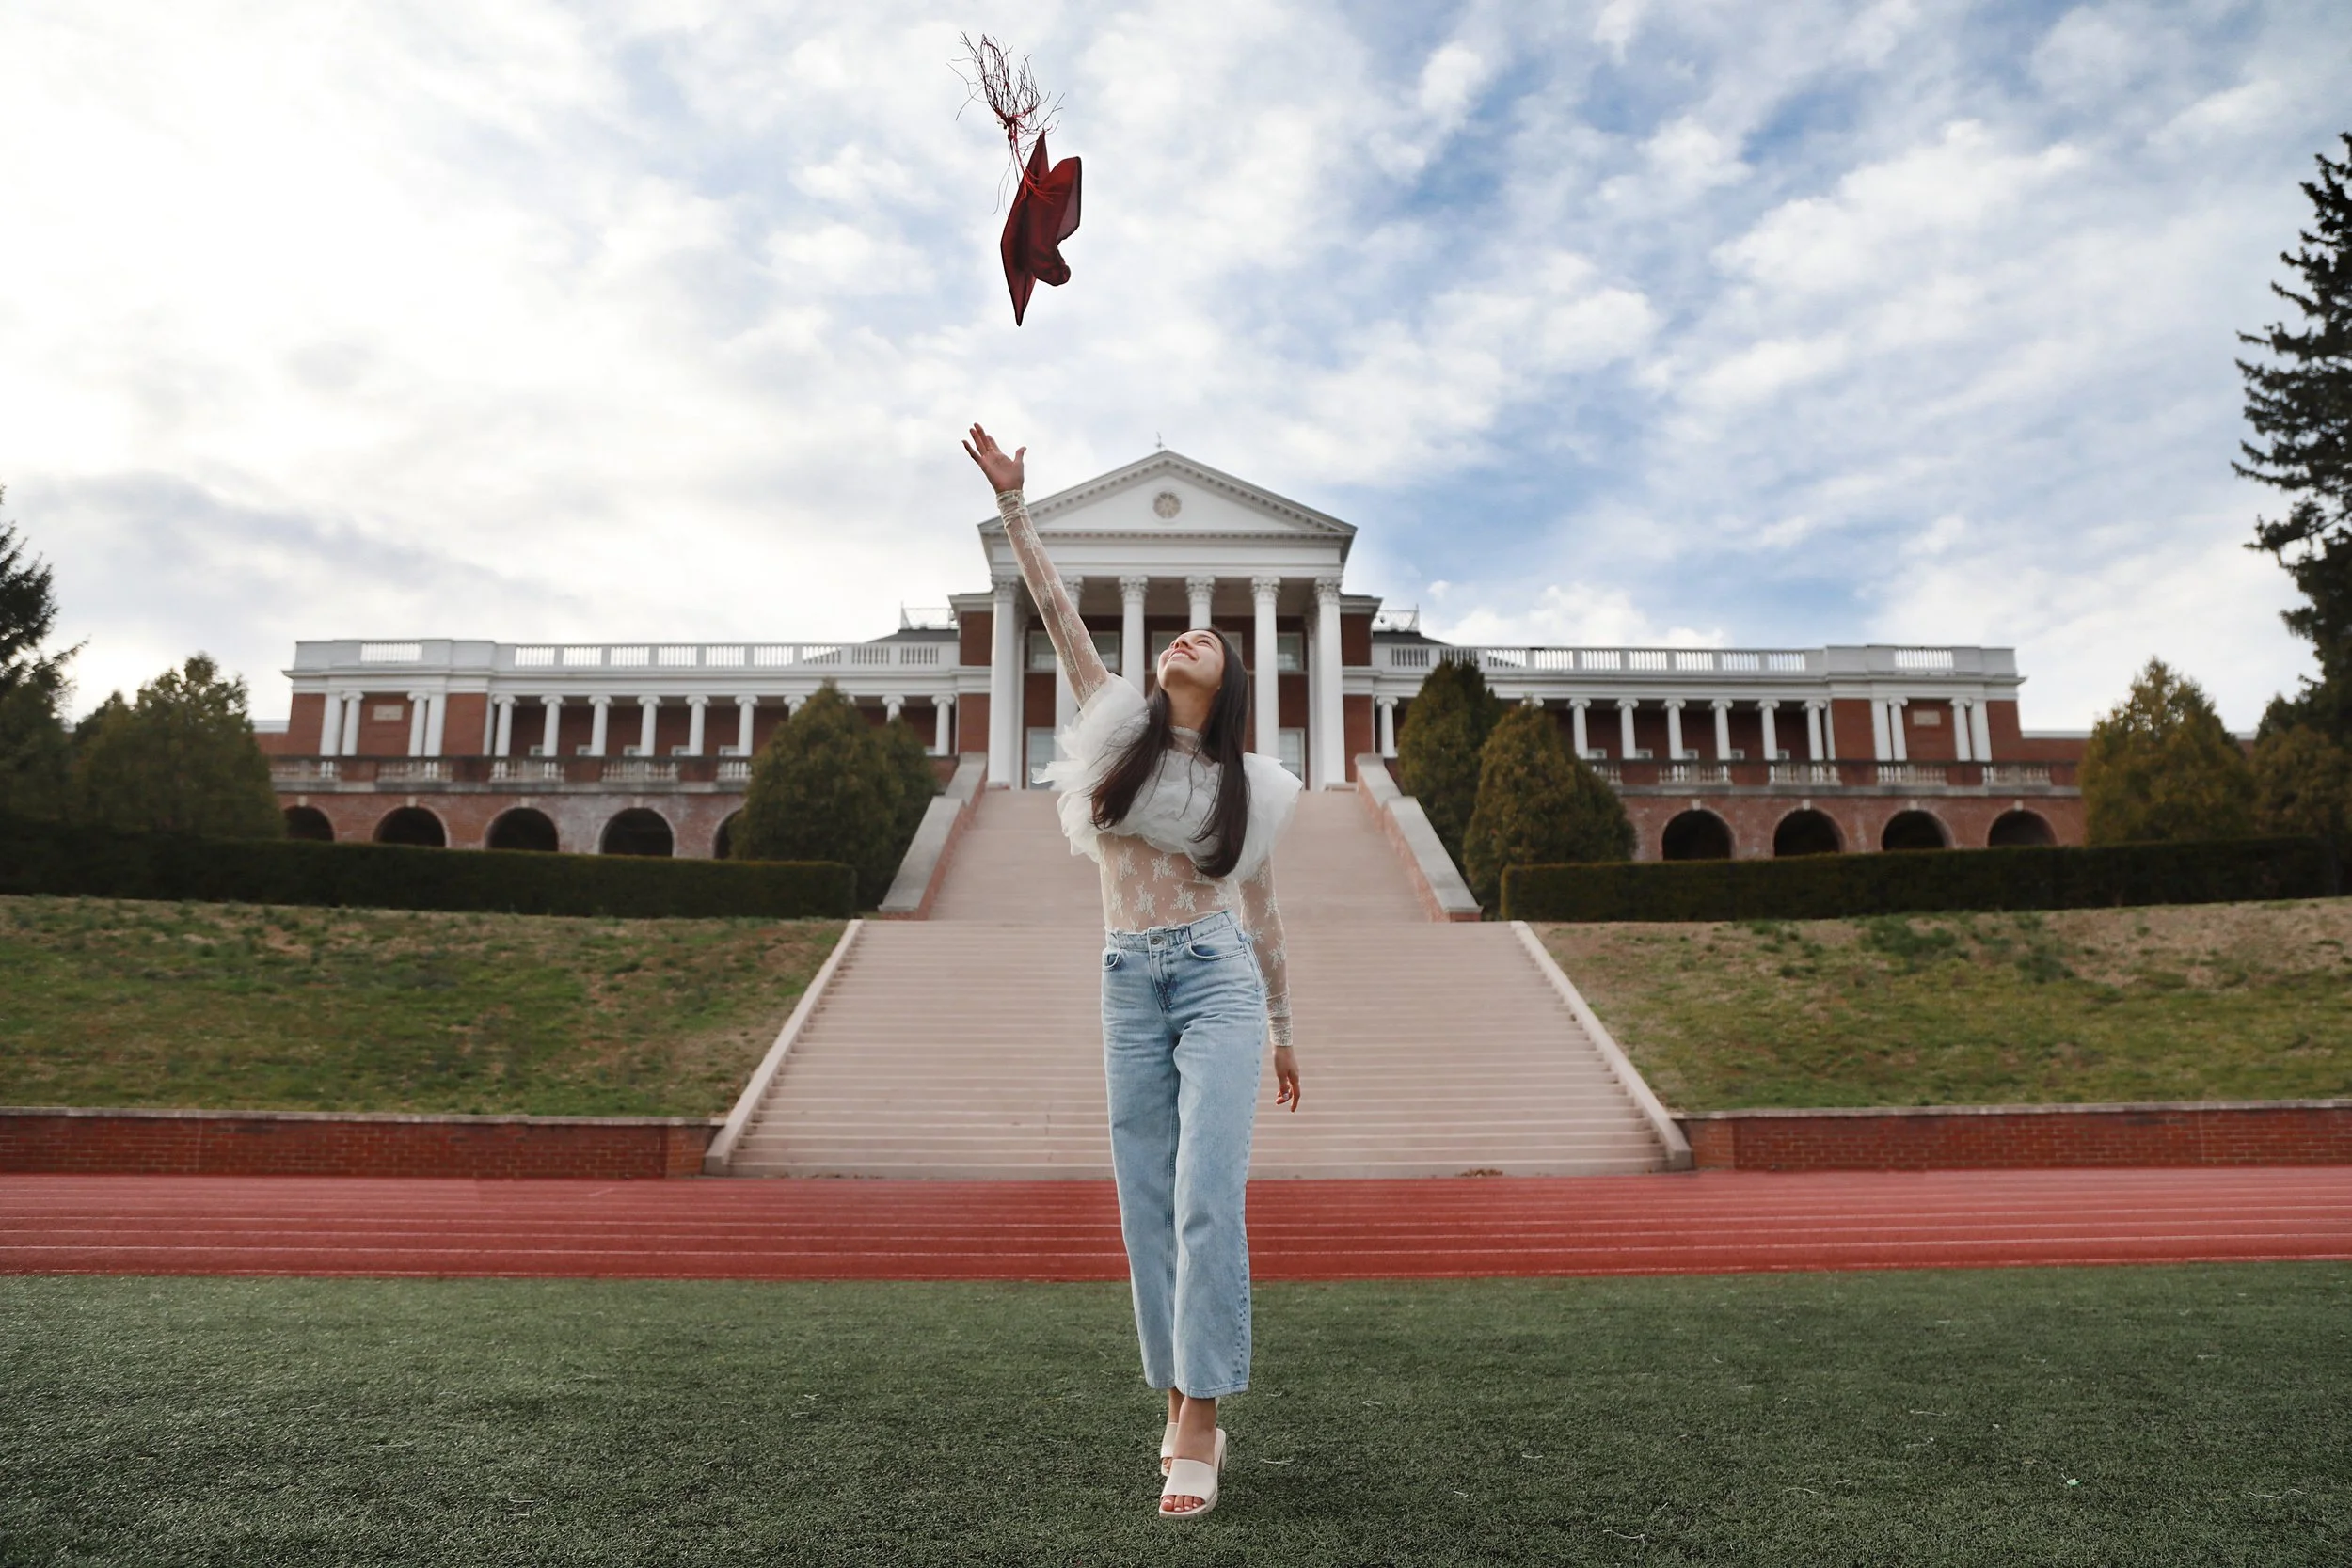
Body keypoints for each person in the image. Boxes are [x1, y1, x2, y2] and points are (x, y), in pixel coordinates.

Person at [961, 424, 1304, 1521]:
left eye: (1209, 638)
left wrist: (1285, 1024)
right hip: (1123, 975)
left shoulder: (1247, 785)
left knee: (1206, 1192)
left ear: (1231, 676)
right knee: (1144, 1206)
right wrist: (1018, 503)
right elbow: (1058, 607)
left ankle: (1200, 1410)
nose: (1188, 636)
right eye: (1178, 635)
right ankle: (1174, 1388)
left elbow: (1260, 909)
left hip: (1215, 980)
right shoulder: (1118, 732)